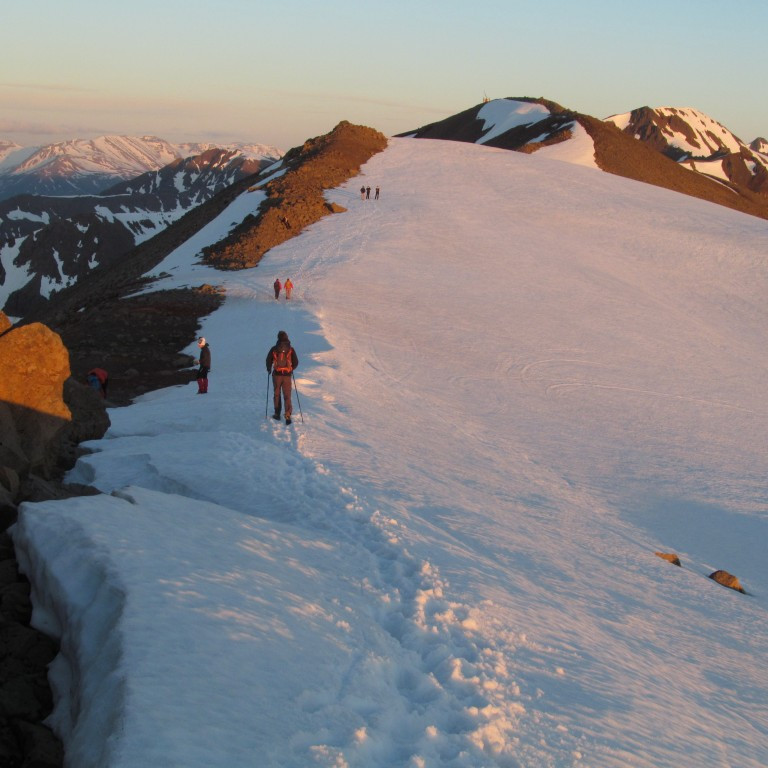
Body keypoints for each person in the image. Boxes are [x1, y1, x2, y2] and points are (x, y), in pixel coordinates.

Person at [266, 330, 298, 424]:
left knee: (277, 394)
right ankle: (287, 414)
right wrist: (291, 369)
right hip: (287, 376)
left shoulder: (274, 349)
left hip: (276, 375)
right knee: (287, 396)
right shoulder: (290, 349)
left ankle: (277, 414)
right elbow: (296, 362)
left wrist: (269, 369)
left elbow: (268, 360)